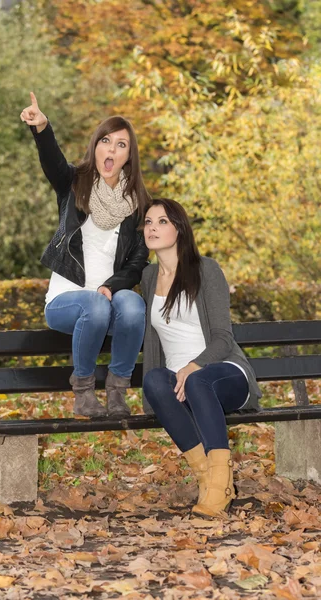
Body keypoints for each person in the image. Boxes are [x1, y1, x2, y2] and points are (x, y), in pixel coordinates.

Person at [20, 93, 151, 418]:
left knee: (133, 306)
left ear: (128, 156)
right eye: (106, 140)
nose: (112, 149)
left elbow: (137, 263)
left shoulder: (139, 205)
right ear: (96, 146)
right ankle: (83, 391)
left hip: (108, 302)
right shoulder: (73, 184)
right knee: (94, 304)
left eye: (121, 144)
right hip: (67, 302)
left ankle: (117, 391)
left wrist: (112, 285)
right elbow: (52, 161)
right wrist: (42, 128)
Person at [141, 198, 262, 518]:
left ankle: (221, 480)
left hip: (224, 374)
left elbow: (224, 338)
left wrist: (193, 366)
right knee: (153, 380)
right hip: (181, 382)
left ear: (179, 229)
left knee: (196, 380)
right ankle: (209, 478)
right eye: (148, 222)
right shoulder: (148, 278)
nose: (152, 228)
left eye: (162, 221)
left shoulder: (205, 269)